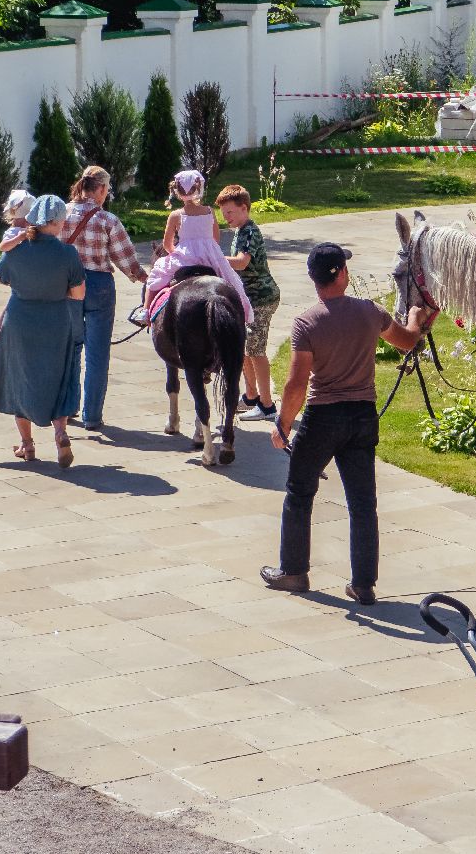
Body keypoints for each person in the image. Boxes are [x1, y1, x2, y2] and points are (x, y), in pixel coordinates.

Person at [260, 242, 427, 605]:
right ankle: (363, 584)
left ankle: (293, 572)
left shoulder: (307, 322)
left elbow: (296, 385)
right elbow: (407, 341)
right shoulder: (370, 312)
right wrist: (415, 315)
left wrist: (282, 426)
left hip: (322, 418)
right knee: (363, 503)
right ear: (342, 274)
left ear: (313, 279)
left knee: (300, 493)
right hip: (362, 417)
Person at [0, 195, 86, 468]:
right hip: (56, 322)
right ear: (57, 222)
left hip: (20, 322)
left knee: (19, 379)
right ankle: (60, 433)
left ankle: (27, 445)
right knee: (59, 379)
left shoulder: (17, 250)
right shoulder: (68, 253)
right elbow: (78, 294)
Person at [62, 166, 148, 431]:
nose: (107, 194)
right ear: (99, 189)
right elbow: (126, 258)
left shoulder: (61, 213)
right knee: (98, 354)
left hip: (66, 285)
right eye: (107, 189)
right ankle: (92, 415)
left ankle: (69, 407)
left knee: (71, 349)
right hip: (99, 285)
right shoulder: (107, 220)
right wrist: (145, 277)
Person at [140, 170, 254, 324]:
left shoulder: (176, 215)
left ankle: (146, 312)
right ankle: (242, 316)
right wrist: (208, 249)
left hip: (184, 259)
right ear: (199, 188)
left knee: (156, 274)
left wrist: (178, 252)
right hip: (209, 256)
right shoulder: (209, 211)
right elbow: (215, 239)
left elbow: (167, 244)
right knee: (232, 281)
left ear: (178, 192)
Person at [215, 184, 280, 421]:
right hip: (248, 299)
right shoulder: (241, 231)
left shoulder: (250, 231)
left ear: (244, 208)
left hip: (261, 298)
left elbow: (242, 262)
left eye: (230, 212)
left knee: (256, 350)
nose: (226, 218)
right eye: (224, 213)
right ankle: (251, 395)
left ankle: (267, 406)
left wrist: (216, 258)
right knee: (244, 348)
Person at [0, 189, 36, 346]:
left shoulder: (25, 230)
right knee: (15, 299)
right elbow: (4, 247)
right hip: (14, 272)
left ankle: (1, 328)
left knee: (15, 298)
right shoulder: (13, 232)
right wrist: (20, 237)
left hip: (22, 272)